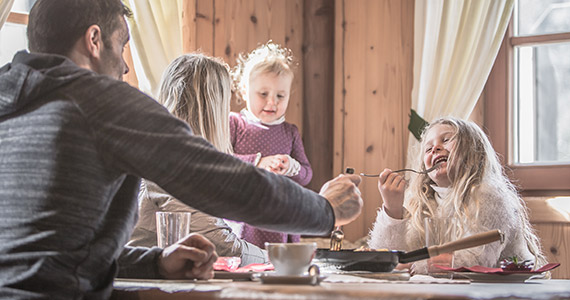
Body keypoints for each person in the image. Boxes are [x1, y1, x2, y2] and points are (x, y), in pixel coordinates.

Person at [0, 0, 363, 299]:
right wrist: (325, 210)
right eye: (122, 44)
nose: (126, 65)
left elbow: (49, 255)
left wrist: (155, 262)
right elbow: (222, 183)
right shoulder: (102, 102)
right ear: (94, 40)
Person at [128, 53, 268, 266]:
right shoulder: (171, 160)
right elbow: (223, 246)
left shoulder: (160, 150)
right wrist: (281, 259)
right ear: (213, 109)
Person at [368, 117, 546, 274]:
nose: (435, 148)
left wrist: (412, 265)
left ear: (473, 152)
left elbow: (476, 260)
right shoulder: (419, 202)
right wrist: (393, 209)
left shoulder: (489, 196)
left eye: (446, 140)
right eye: (428, 148)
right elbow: (387, 259)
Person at [229, 42, 312, 248]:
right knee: (245, 259)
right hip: (244, 212)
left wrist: (291, 167)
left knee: (279, 265)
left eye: (280, 96)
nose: (272, 102)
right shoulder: (235, 123)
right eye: (263, 94)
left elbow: (307, 174)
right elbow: (222, 160)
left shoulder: (290, 132)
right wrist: (258, 162)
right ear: (244, 90)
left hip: (281, 215)